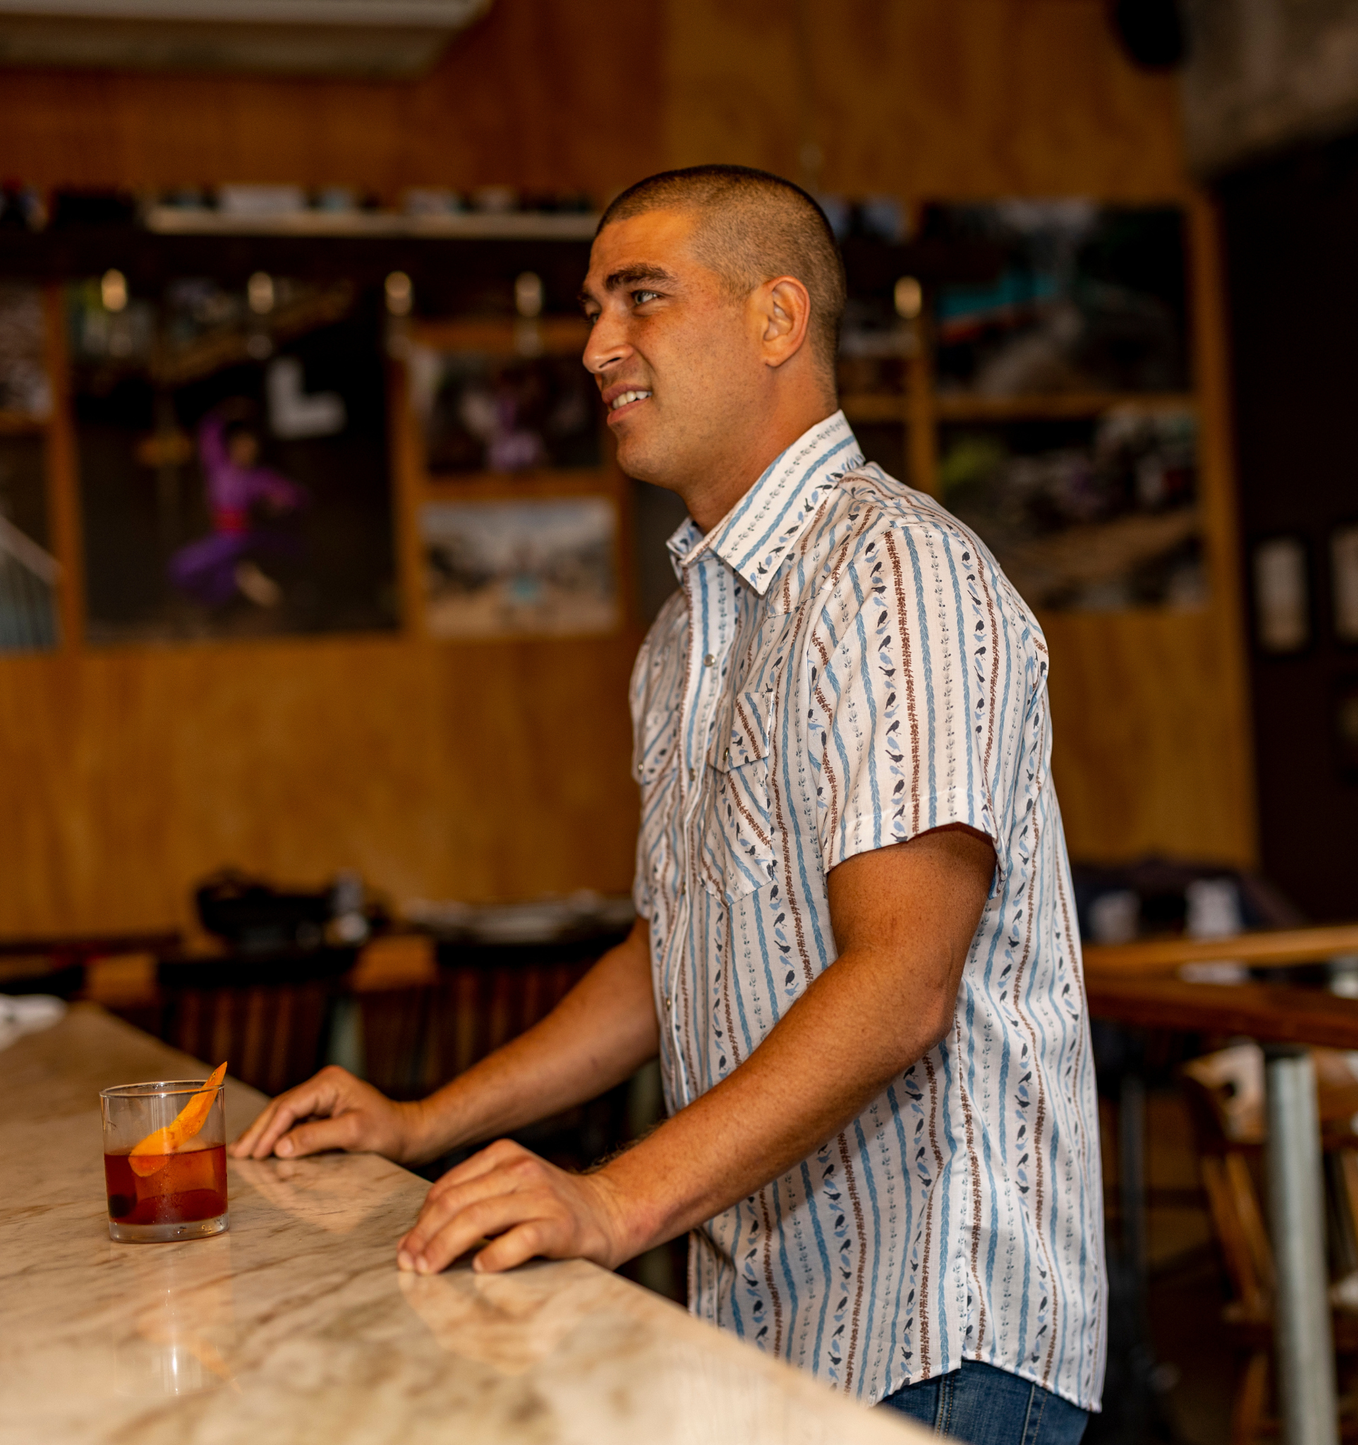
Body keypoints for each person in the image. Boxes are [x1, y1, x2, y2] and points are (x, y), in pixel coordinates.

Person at [233, 165, 1106, 1444]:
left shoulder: (893, 571)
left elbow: (899, 984)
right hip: (768, 1331)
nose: (595, 345)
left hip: (941, 1333)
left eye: (640, 297)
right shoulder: (683, 635)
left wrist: (613, 1201)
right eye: (594, 306)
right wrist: (420, 1119)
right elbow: (672, 957)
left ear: (776, 320)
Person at [169, 401, 306, 609]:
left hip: (242, 537)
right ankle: (239, 581)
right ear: (232, 447)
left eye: (251, 448)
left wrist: (280, 503)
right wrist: (227, 412)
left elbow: (295, 495)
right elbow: (208, 434)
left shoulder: (259, 478)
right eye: (243, 445)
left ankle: (247, 582)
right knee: (184, 569)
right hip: (222, 537)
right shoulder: (219, 468)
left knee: (294, 552)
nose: (247, 451)